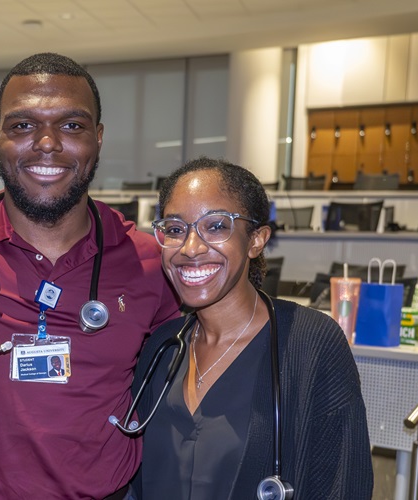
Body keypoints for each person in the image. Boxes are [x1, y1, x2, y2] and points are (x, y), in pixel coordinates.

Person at [0, 52, 180, 499]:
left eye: (72, 125)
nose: (47, 143)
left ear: (98, 138)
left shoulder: (148, 263)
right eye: (23, 125)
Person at [130, 157, 372, 499]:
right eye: (174, 229)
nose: (190, 247)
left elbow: (343, 485)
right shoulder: (162, 346)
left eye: (216, 226)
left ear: (256, 239)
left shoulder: (310, 344)